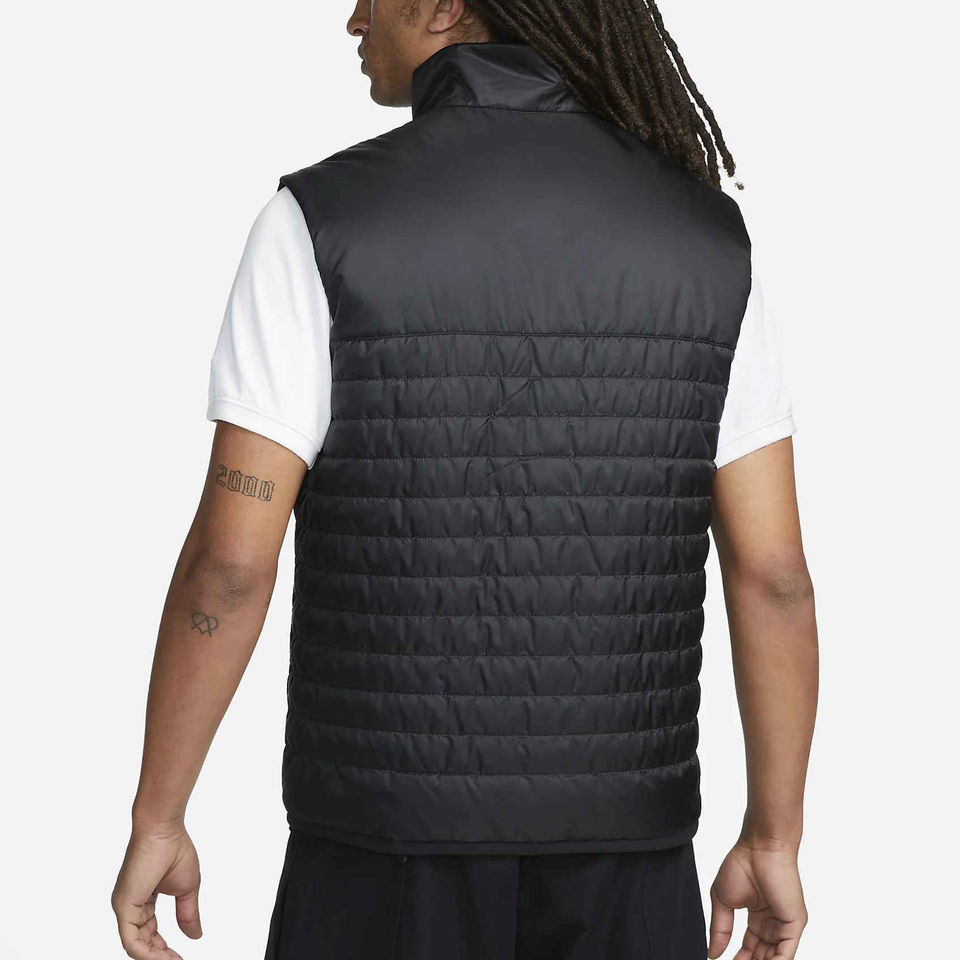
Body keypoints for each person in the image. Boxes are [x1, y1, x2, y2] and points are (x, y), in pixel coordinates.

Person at [111, 2, 819, 958]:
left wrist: (159, 815)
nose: (352, 17)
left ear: (446, 3)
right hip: (629, 865)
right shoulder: (706, 241)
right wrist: (774, 837)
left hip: (380, 859)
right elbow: (774, 576)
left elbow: (230, 568)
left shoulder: (320, 222)